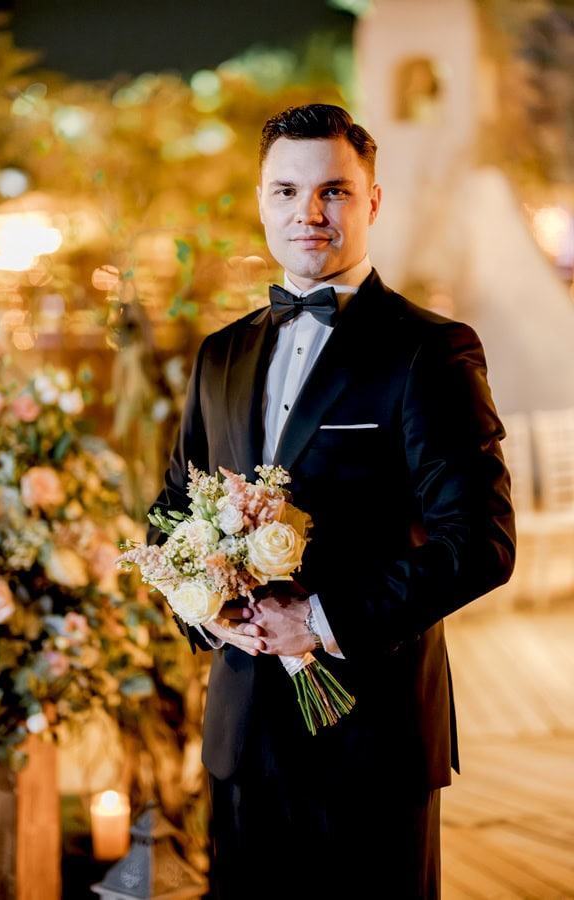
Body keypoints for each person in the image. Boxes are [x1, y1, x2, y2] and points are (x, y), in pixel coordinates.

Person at [149, 103, 516, 899]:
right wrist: (204, 605)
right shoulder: (220, 354)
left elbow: (481, 541)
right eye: (286, 191)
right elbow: (172, 509)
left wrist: (318, 621)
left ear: (372, 202)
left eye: (334, 193)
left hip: (372, 740)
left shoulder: (431, 350)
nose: (308, 214)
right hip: (241, 738)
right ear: (261, 200)